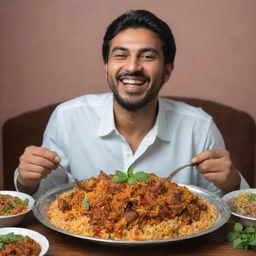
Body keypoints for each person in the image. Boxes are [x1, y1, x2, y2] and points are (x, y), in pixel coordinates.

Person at [15, 9, 248, 198]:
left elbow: (220, 210)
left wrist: (232, 183)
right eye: (121, 55)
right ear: (106, 66)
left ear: (167, 70)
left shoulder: (200, 127)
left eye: (147, 56)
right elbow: (45, 201)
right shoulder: (67, 118)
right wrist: (26, 182)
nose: (133, 67)